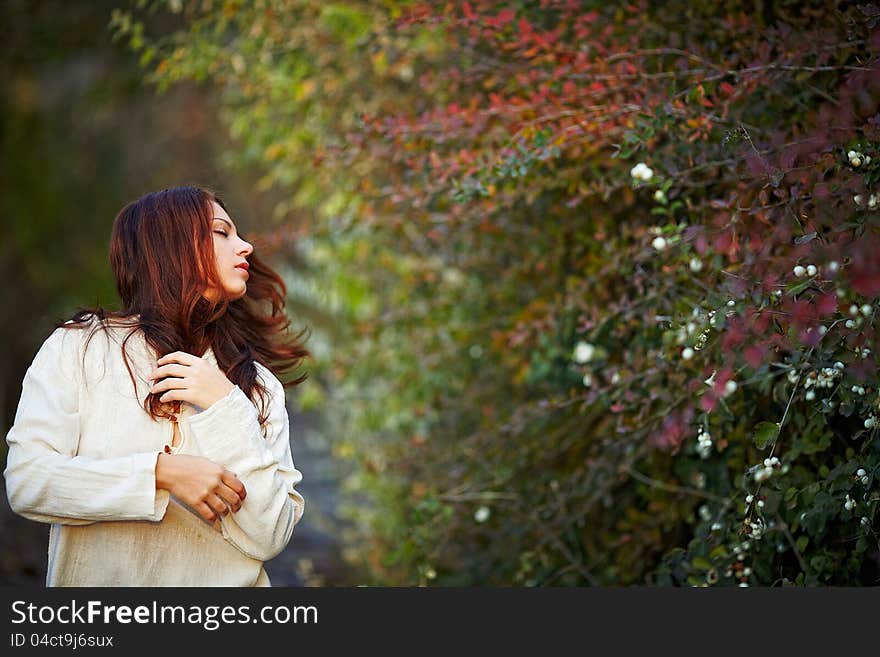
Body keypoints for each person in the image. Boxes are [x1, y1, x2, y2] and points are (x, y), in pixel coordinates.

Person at [4, 186, 310, 586]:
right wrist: (160, 474)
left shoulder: (258, 385)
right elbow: (29, 482)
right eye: (223, 233)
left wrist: (225, 405)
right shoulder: (80, 348)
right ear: (171, 244)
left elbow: (270, 536)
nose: (247, 246)